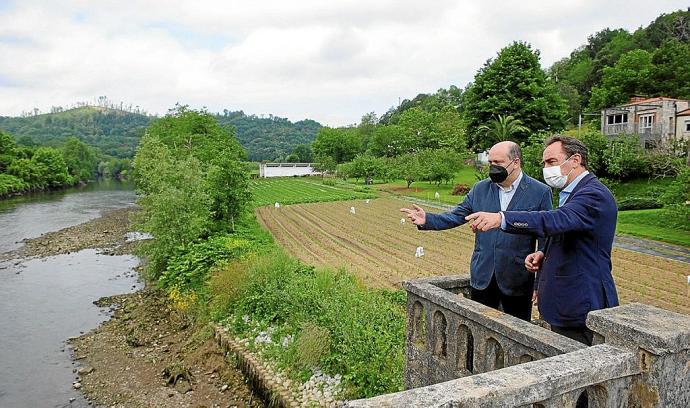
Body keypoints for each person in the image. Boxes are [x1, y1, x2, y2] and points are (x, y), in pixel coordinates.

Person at [465, 136, 619, 346]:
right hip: (565, 304)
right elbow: (569, 232)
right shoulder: (573, 194)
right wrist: (543, 255)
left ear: (575, 160)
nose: (546, 168)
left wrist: (502, 218)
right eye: (544, 163)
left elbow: (553, 220)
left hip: (581, 304)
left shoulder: (593, 194)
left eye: (552, 162)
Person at [400, 141, 552, 321]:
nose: (493, 167)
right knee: (478, 329)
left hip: (517, 277)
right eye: (490, 163)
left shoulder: (540, 192)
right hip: (483, 275)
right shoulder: (480, 189)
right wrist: (428, 220)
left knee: (517, 332)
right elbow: (457, 215)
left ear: (516, 162)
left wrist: (539, 282)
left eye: (498, 163)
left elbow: (545, 236)